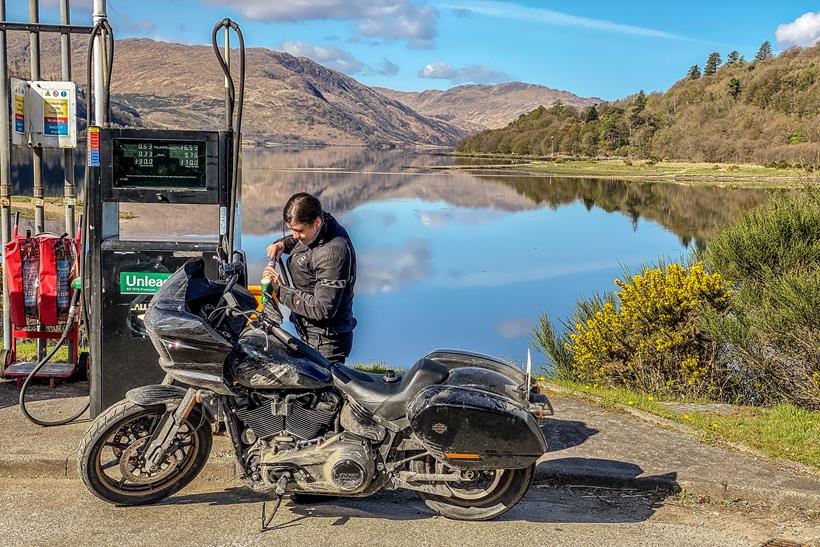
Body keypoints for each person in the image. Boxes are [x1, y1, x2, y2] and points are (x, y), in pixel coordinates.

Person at [263, 193, 357, 364]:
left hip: (325, 341)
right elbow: (302, 242)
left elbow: (322, 309)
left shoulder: (333, 254)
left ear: (317, 223)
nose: (295, 235)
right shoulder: (320, 226)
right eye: (291, 230)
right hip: (312, 333)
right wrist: (282, 244)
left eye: (298, 231)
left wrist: (280, 289)